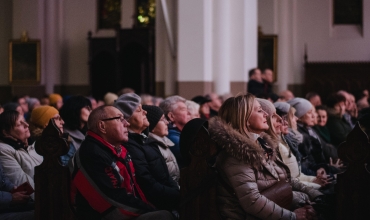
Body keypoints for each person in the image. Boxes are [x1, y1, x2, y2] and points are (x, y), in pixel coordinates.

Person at [209, 94, 316, 220]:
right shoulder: (236, 155)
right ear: (245, 119)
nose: (266, 114)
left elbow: (284, 180)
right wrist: (293, 216)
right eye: (260, 110)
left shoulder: (261, 144)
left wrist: (313, 195)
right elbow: (252, 201)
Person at [71, 105, 173, 219]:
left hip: (125, 211)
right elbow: (111, 200)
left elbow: (136, 189)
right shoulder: (91, 153)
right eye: (120, 119)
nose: (127, 123)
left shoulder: (118, 149)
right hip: (103, 215)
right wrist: (149, 210)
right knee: (164, 216)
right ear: (102, 126)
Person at [114, 93, 180, 211]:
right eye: (139, 110)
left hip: (169, 198)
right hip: (157, 205)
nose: (145, 112)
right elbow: (146, 182)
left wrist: (176, 190)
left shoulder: (146, 140)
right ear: (127, 119)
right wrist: (175, 194)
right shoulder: (130, 145)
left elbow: (166, 175)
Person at [142, 105, 180, 208]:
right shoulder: (154, 146)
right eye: (162, 120)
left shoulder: (164, 143)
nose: (167, 122)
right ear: (152, 127)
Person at [0, 110, 43, 200]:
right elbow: (22, 183)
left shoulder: (26, 145)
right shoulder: (3, 150)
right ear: (5, 133)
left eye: (24, 121)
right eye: (19, 124)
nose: (27, 125)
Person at [59, 96, 92, 166]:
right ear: (76, 109)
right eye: (87, 108)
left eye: (90, 108)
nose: (90, 111)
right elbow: (65, 166)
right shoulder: (66, 136)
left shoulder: (86, 132)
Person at [159, 96, 191, 169]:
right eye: (183, 109)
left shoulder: (179, 133)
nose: (189, 113)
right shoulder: (171, 136)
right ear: (171, 116)